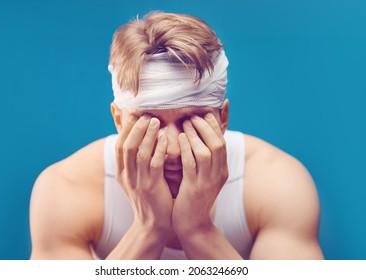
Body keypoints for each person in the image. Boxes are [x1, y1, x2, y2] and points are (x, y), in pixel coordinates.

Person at [29, 11, 324, 260]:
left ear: (222, 119)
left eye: (192, 120)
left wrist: (198, 230)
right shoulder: (66, 189)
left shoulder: (277, 181)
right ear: (118, 120)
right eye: (148, 122)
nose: (171, 150)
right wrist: (148, 228)